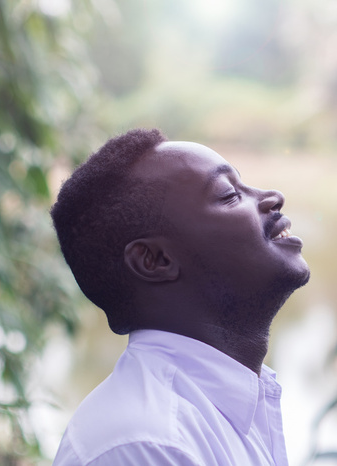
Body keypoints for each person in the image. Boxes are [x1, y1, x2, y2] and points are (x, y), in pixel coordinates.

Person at [50, 128, 310, 465]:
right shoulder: (146, 445)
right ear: (156, 260)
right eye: (229, 193)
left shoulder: (229, 406)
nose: (272, 196)